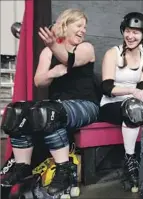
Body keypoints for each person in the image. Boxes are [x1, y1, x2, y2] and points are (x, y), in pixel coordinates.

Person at [1, 8, 99, 198]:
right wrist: (52, 73)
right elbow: (39, 80)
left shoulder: (86, 48)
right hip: (58, 105)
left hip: (86, 105)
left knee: (49, 111)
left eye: (84, 27)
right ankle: (22, 167)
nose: (83, 30)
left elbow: (69, 60)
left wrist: (55, 46)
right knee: (17, 110)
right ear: (65, 25)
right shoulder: (47, 51)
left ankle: (64, 171)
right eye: (79, 25)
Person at [99, 12, 143, 192]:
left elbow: (142, 87)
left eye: (136, 32)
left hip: (131, 104)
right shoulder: (113, 53)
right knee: (134, 108)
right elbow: (107, 88)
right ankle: (131, 162)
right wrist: (131, 91)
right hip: (109, 105)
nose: (130, 36)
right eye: (128, 31)